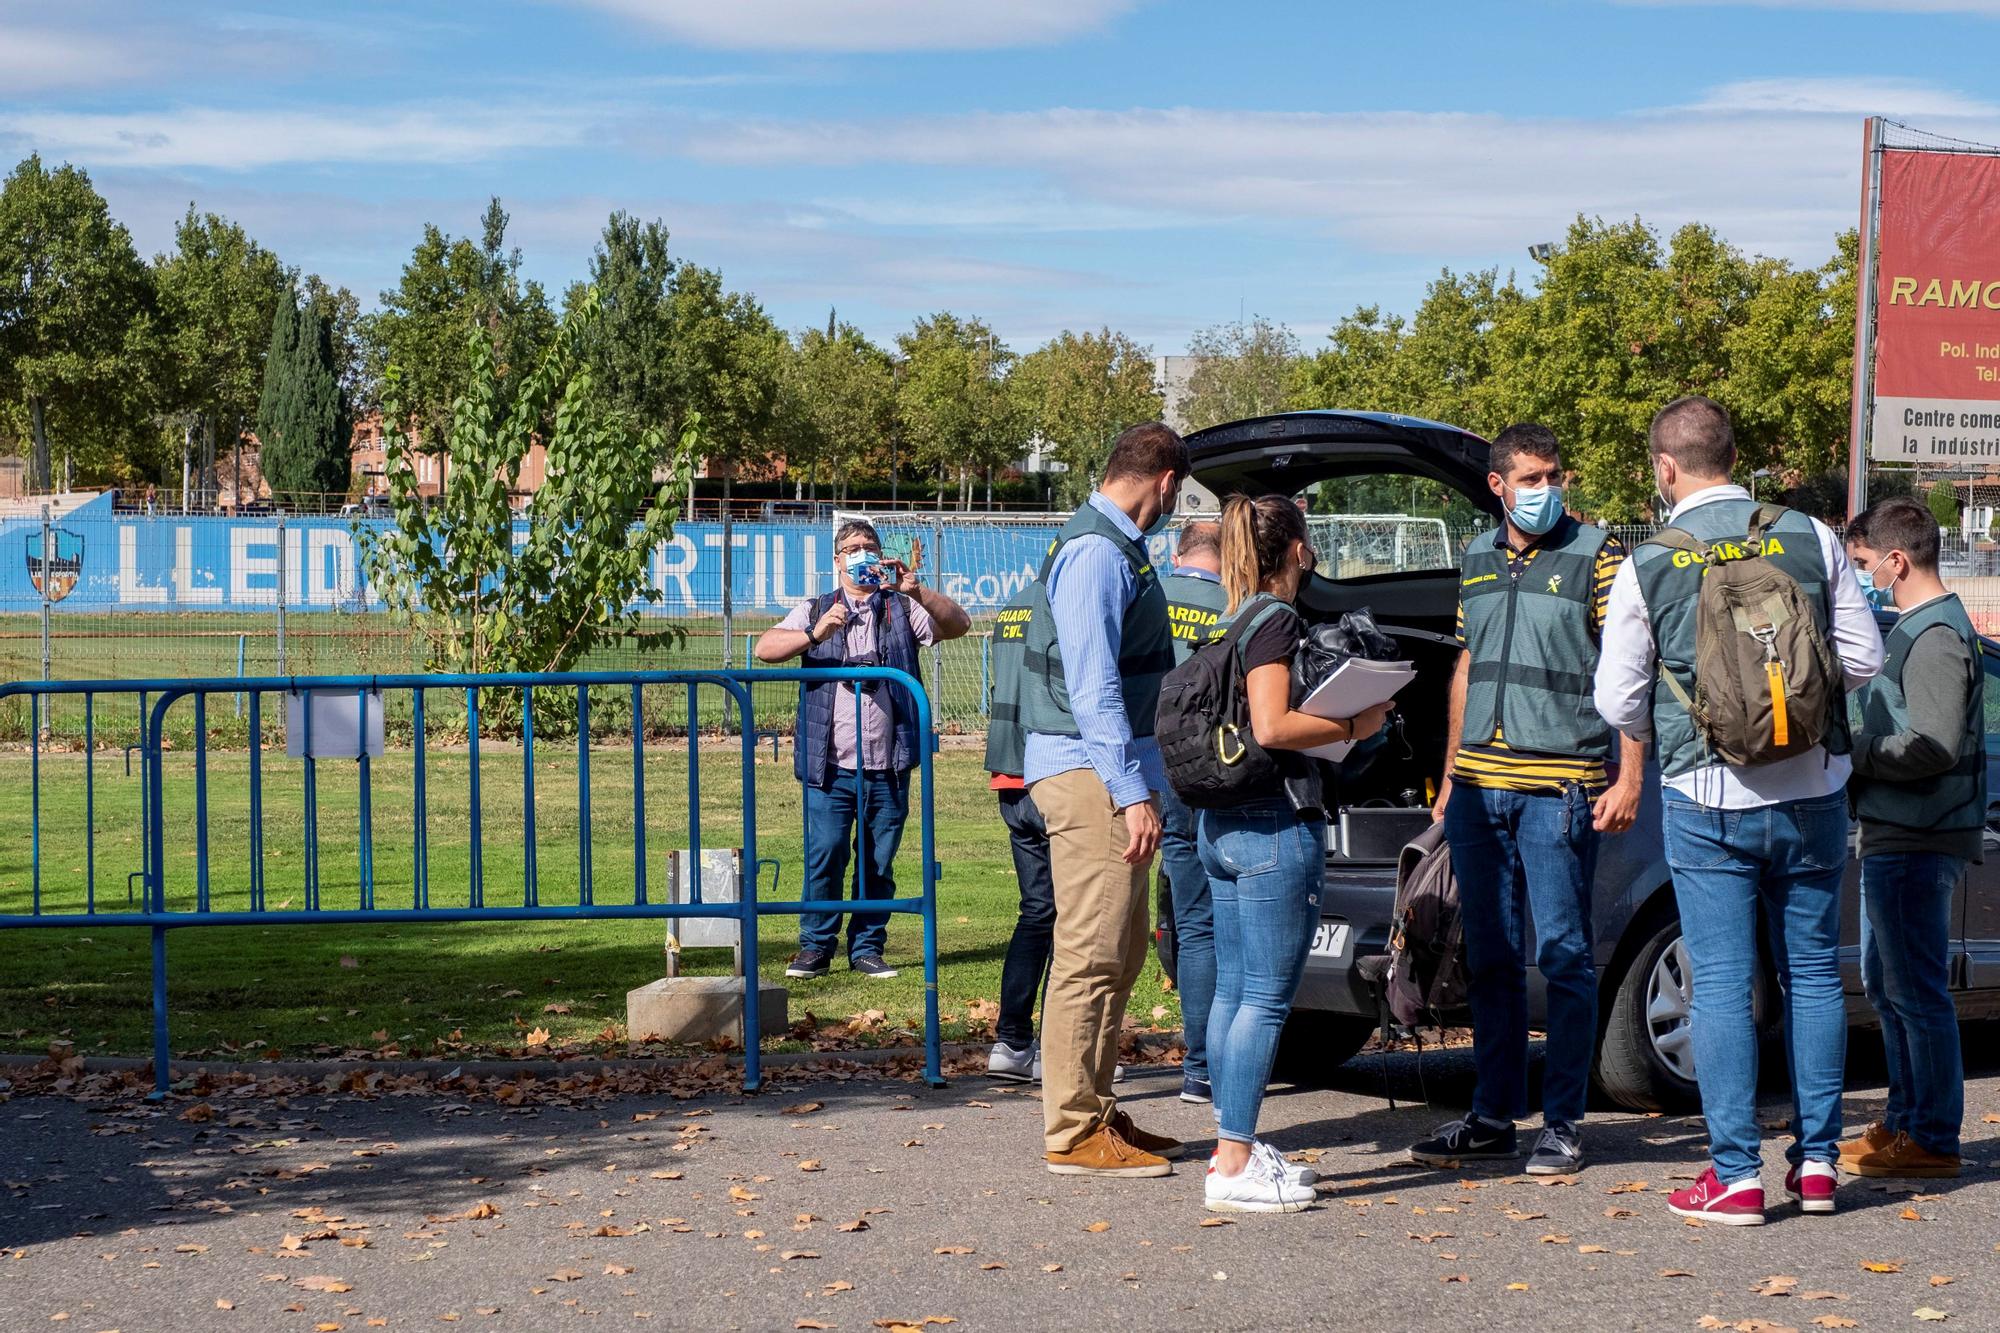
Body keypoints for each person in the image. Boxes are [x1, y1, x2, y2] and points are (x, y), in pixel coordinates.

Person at [1595, 396, 1882, 1224]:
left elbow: (1618, 697)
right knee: (1815, 975)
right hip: (1815, 789)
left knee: (1720, 983)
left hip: (1706, 795)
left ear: (1666, 467)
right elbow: (1862, 659)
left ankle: (1735, 1176)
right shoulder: (1811, 536)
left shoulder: (1648, 562)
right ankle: (1821, 1165)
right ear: (1735, 453)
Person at [1413, 424, 1644, 1176]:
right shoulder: (1477, 558)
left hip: (1560, 787)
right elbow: (1467, 663)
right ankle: (1492, 1114)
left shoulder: (1598, 554)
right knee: (1491, 956)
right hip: (1480, 789)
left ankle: (1565, 1122)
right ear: (1498, 485)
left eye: (1554, 475)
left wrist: (1629, 771)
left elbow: (1627, 665)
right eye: (1533, 477)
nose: (1548, 489)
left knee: (1566, 955)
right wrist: (1450, 775)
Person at [1200, 494, 1391, 1212]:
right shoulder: (1276, 619)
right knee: (1264, 999)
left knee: (1232, 990)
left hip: (1221, 824)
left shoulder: (1234, 615)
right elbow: (1274, 724)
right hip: (1273, 825)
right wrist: (1356, 718)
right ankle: (1234, 1161)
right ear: (1300, 551)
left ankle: (1232, 1146)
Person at [1022, 421, 1188, 1178]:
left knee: (1117, 954)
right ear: (1165, 482)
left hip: (1106, 777)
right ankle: (1072, 1129)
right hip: (1093, 778)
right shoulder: (1096, 553)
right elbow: (1093, 690)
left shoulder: (1112, 545)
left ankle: (1095, 1106)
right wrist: (1130, 794)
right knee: (1091, 954)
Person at [1839, 497, 1984, 1180]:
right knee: (1888, 983)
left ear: (1897, 559)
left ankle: (1930, 1134)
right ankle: (1905, 1120)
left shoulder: (1935, 636)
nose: (1863, 575)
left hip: (1919, 835)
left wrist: (1856, 753)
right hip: (1898, 830)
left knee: (1915, 989)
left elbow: (1933, 743)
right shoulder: (1921, 628)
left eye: (1865, 563)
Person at [757, 518, 970, 980]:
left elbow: (959, 624)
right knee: (827, 853)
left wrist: (918, 592)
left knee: (878, 859)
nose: (861, 555)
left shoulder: (900, 606)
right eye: (851, 548)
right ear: (837, 561)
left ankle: (867, 947)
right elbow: (764, 648)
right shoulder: (816, 608)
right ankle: (815, 946)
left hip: (888, 763)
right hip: (828, 765)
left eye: (868, 546)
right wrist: (815, 635)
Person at [1161, 519, 1229, 1104]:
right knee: (1225, 922)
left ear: (1177, 551)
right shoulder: (1233, 605)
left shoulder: (1147, 597)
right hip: (1214, 772)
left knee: (1191, 924)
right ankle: (1219, 1060)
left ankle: (1198, 1067)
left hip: (1151, 770)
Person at [984, 582, 1056, 1081]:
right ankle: (1060, 1047)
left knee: (1037, 912)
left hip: (1011, 773)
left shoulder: (1014, 608)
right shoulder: (1064, 603)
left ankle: (1011, 1042)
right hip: (1055, 771)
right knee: (1077, 920)